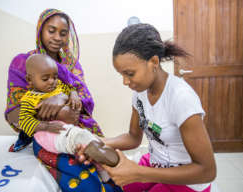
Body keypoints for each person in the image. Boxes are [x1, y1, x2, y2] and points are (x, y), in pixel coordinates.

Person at [78, 23, 216, 192]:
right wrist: (100, 142)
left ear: (154, 62)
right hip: (155, 162)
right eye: (121, 74)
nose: (125, 82)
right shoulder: (140, 92)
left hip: (187, 180)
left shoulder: (181, 98)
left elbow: (207, 171)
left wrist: (141, 173)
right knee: (110, 185)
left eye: (130, 74)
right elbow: (133, 137)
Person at [5, 8, 122, 192]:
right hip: (47, 131)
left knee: (110, 172)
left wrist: (63, 97)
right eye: (51, 30)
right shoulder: (23, 63)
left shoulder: (72, 66)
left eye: (63, 33)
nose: (57, 37)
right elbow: (14, 112)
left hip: (76, 125)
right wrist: (49, 115)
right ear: (40, 30)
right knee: (82, 173)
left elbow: (85, 99)